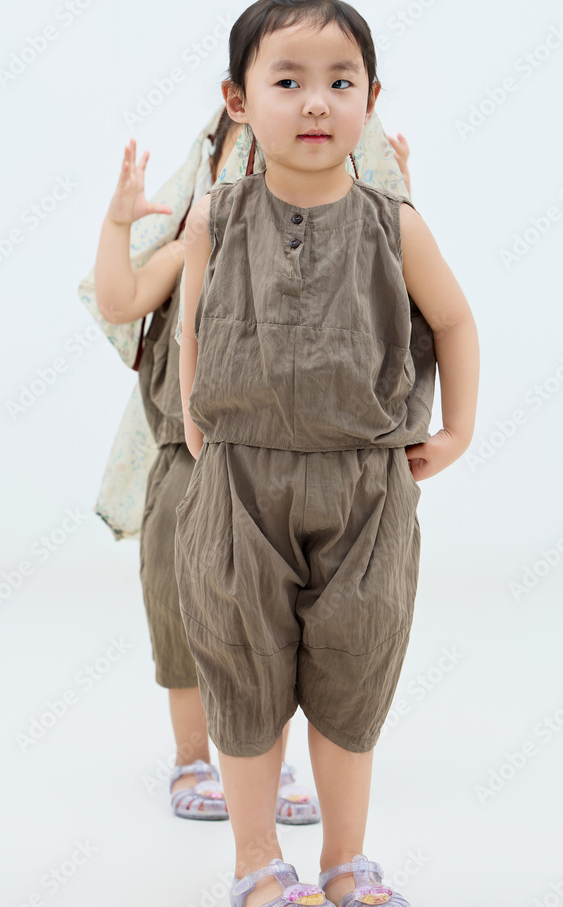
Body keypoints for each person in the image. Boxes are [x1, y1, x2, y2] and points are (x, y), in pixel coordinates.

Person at [175, 0, 479, 907]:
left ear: (370, 99)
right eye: (288, 81)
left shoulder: (395, 223)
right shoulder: (214, 217)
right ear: (237, 100)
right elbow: (194, 324)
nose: (316, 102)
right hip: (240, 483)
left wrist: (456, 429)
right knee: (242, 667)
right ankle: (256, 861)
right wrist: (195, 420)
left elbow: (454, 322)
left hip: (365, 489)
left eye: (340, 82)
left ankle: (346, 860)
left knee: (354, 671)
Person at [93, 106, 414, 827]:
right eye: (234, 163)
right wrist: (118, 224)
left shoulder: (320, 248)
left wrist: (398, 192)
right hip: (191, 449)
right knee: (182, 599)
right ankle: (192, 758)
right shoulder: (201, 240)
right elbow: (119, 300)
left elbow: (391, 291)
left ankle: (263, 764)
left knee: (272, 618)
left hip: (281, 455)